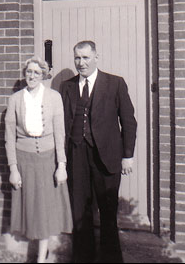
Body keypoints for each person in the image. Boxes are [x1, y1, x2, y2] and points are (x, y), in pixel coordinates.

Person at [60, 41, 137, 263]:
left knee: (108, 212)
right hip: (77, 156)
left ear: (96, 57)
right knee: (80, 212)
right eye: (77, 58)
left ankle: (111, 259)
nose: (81, 63)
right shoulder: (66, 86)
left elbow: (129, 122)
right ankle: (82, 258)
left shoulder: (115, 84)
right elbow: (62, 123)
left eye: (85, 57)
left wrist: (127, 155)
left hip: (108, 157)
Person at [5, 56, 73, 263]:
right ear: (25, 73)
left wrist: (61, 165)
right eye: (29, 71)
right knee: (30, 206)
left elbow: (60, 133)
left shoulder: (54, 97)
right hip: (24, 160)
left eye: (36, 72)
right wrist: (13, 169)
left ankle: (41, 258)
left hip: (47, 159)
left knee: (44, 208)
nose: (32, 76)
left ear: (43, 75)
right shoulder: (15, 99)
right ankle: (36, 251)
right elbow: (9, 136)